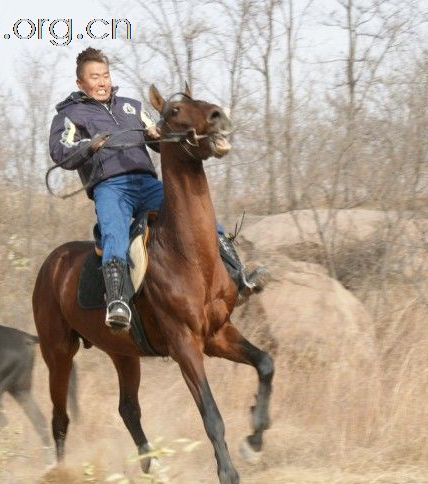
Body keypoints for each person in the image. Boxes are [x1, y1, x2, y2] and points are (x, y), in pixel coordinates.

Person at [49, 47, 267, 331]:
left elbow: (162, 136)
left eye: (105, 75)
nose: (102, 82)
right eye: (94, 77)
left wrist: (156, 135)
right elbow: (60, 150)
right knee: (114, 231)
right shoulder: (71, 114)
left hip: (147, 183)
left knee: (197, 218)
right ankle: (117, 302)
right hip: (111, 187)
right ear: (81, 83)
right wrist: (90, 145)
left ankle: (240, 278)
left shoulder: (131, 107)